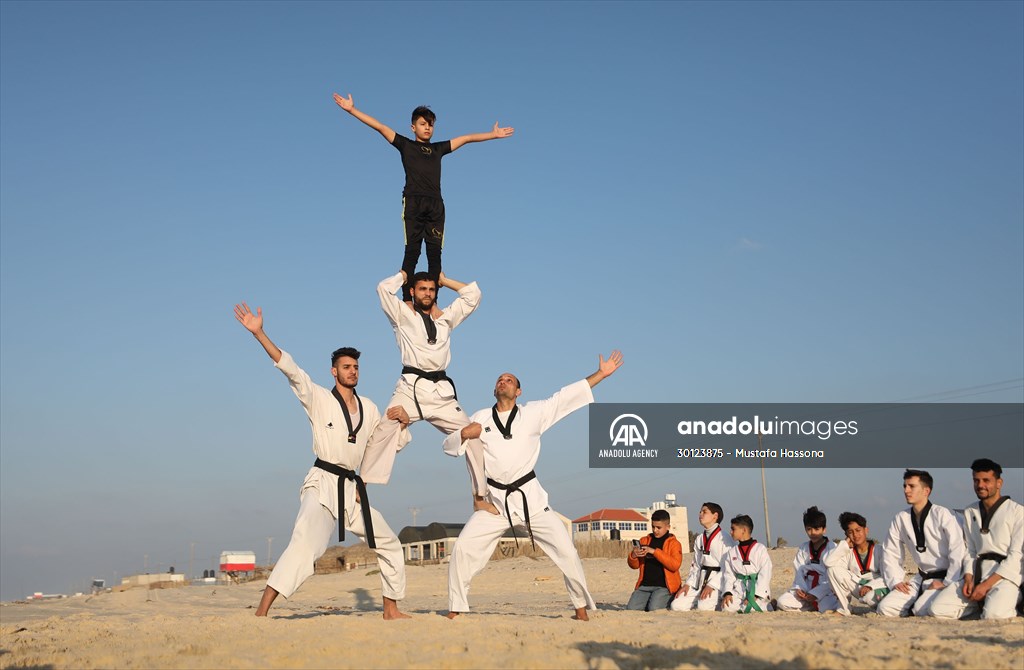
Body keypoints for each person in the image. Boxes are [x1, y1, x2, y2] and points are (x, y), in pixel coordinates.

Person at [233, 302, 410, 620]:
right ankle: (262, 610)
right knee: (305, 547)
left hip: (353, 490)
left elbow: (379, 447)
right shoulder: (319, 398)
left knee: (389, 542)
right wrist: (260, 333)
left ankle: (390, 609)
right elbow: (291, 370)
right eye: (346, 367)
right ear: (334, 371)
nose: (352, 371)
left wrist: (402, 423)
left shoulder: (369, 408)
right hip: (323, 482)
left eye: (355, 367)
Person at [443, 351, 624, 621]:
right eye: (500, 380)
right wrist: (462, 434)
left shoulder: (534, 413)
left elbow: (564, 399)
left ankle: (580, 609)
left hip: (532, 501)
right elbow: (450, 447)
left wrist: (601, 374)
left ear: (519, 391)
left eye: (509, 380)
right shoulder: (481, 417)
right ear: (495, 390)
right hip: (496, 503)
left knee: (567, 551)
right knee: (463, 548)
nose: (503, 381)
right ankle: (456, 609)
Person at [333, 93, 513, 301]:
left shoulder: (438, 149)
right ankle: (407, 300)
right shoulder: (406, 145)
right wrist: (352, 110)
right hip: (413, 203)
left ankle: (433, 302)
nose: (427, 127)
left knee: (435, 255)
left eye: (431, 124)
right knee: (413, 251)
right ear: (413, 127)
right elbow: (380, 127)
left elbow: (466, 139)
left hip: (436, 205)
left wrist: (492, 134)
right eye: (422, 123)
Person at [360, 270, 491, 512]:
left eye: (431, 289)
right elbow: (382, 289)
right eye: (422, 289)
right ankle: (363, 482)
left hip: (441, 393)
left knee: (473, 436)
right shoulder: (402, 316)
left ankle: (479, 496)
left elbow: (474, 295)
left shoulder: (445, 319)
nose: (427, 293)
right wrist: (403, 274)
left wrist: (445, 281)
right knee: (386, 426)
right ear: (412, 291)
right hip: (410, 387)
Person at [931, 458, 1023, 620]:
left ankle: (1013, 603)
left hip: (1004, 576)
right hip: (978, 573)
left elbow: (1016, 557)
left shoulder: (1017, 512)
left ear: (999, 483)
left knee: (994, 616)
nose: (980, 485)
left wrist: (987, 585)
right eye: (976, 480)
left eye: (986, 480)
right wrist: (968, 577)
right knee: (938, 609)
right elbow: (970, 550)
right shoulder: (970, 511)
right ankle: (986, 605)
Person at [877, 469, 966, 617]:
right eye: (905, 486)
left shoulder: (944, 515)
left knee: (922, 610)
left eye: (911, 486)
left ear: (926, 491)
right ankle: (915, 602)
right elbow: (890, 552)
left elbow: (958, 550)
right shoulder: (901, 518)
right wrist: (896, 581)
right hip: (921, 578)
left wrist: (947, 582)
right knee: (886, 608)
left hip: (946, 578)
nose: (906, 490)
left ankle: (969, 607)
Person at [776, 506, 841, 613]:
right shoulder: (803, 547)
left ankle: (813, 605)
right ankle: (810, 606)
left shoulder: (832, 547)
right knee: (782, 602)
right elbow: (799, 571)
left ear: (824, 529)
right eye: (809, 529)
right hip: (806, 588)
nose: (813, 533)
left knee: (826, 607)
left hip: (826, 590)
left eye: (817, 529)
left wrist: (816, 594)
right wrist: (800, 589)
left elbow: (833, 576)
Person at [824, 511, 889, 615]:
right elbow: (828, 563)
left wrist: (871, 586)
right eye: (851, 532)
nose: (855, 535)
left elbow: (888, 576)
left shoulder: (880, 550)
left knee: (869, 598)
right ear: (846, 535)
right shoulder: (847, 551)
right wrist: (844, 544)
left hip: (878, 588)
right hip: (859, 587)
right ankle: (844, 609)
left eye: (858, 530)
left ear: (866, 530)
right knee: (832, 571)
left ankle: (880, 607)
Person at [672, 502, 727, 612]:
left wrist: (712, 585)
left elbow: (727, 567)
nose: (700, 514)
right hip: (700, 582)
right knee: (676, 605)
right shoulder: (700, 538)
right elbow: (696, 565)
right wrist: (688, 584)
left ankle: (719, 600)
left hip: (717, 584)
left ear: (715, 516)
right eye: (700, 511)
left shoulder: (725, 539)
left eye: (704, 512)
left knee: (703, 607)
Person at [626, 509, 683, 611]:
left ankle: (668, 600)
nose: (655, 530)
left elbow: (675, 565)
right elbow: (634, 566)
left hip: (664, 587)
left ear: (668, 527)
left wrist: (654, 552)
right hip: (644, 585)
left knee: (654, 609)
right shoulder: (644, 540)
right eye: (653, 526)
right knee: (631, 609)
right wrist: (634, 556)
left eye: (659, 527)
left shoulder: (674, 543)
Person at [720, 514, 773, 613]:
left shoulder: (760, 549)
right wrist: (728, 592)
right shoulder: (732, 552)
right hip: (739, 589)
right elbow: (728, 574)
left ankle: (768, 605)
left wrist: (755, 594)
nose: (731, 532)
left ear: (743, 530)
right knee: (726, 608)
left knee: (750, 609)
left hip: (756, 589)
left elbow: (765, 573)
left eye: (733, 529)